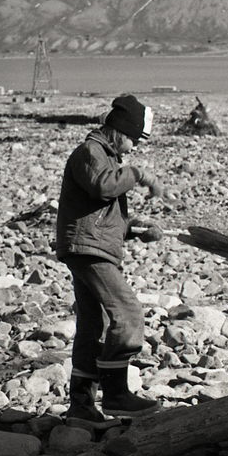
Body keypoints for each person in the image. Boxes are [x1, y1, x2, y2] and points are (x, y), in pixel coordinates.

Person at [55, 94, 166, 422]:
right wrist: (139, 175)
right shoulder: (90, 153)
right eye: (133, 139)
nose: (132, 147)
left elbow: (99, 216)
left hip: (90, 246)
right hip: (87, 250)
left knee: (93, 326)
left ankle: (81, 406)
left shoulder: (104, 157)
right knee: (128, 312)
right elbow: (103, 187)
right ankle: (116, 395)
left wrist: (135, 230)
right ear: (118, 131)